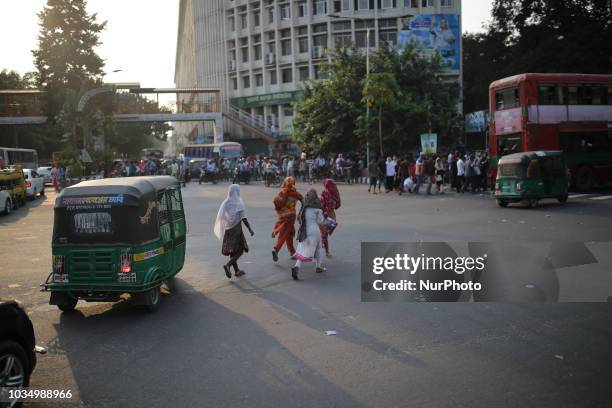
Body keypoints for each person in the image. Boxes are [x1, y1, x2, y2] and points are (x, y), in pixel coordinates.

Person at [214, 184, 255, 279]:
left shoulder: (225, 202)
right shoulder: (239, 203)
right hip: (236, 230)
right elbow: (244, 218)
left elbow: (222, 216)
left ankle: (236, 270)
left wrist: (227, 224)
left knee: (232, 251)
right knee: (240, 250)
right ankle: (228, 265)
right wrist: (250, 229)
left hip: (228, 229)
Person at [291, 189, 328, 280]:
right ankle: (318, 267)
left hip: (305, 231)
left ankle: (296, 267)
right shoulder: (318, 208)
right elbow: (320, 221)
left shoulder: (304, 207)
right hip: (315, 231)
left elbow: (299, 219)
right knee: (319, 247)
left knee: (303, 251)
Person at [271, 177, 303, 262]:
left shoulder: (282, 192)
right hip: (291, 216)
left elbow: (276, 202)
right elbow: (304, 201)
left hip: (282, 215)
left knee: (290, 233)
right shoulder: (296, 193)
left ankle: (292, 252)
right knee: (284, 233)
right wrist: (301, 213)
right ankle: (276, 249)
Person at [320, 178, 341, 258]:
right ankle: (326, 251)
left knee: (324, 234)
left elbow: (321, 204)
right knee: (325, 234)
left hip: (324, 215)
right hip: (332, 216)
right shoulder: (335, 193)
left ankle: (324, 247)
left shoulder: (324, 192)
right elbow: (338, 205)